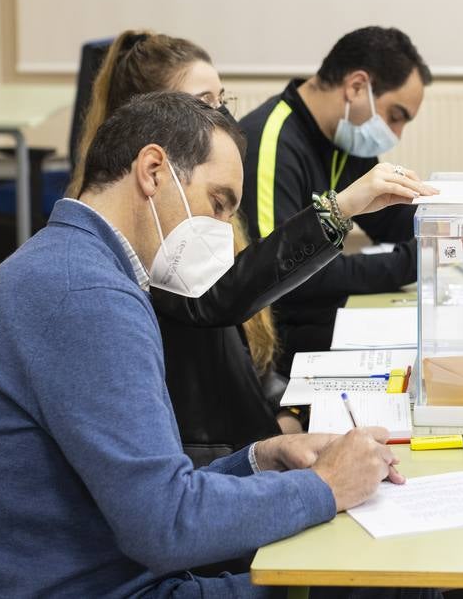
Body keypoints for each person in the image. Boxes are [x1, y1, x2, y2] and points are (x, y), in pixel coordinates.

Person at [0, 91, 439, 598]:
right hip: (89, 582)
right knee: (396, 579)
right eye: (217, 205)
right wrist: (326, 485)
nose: (222, 231)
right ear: (152, 171)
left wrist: (260, 459)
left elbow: (146, 487)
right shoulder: (89, 297)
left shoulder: (69, 265)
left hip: (77, 567)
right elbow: (165, 525)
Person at [69, 31, 433, 465]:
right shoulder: (131, 262)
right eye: (204, 103)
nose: (221, 116)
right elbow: (223, 298)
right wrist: (340, 212)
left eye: (223, 101)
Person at [238, 27, 432, 369]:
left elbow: (390, 221)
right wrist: (413, 261)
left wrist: (445, 226)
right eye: (395, 116)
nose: (396, 134)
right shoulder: (271, 142)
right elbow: (281, 276)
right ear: (356, 87)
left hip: (315, 315)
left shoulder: (343, 139)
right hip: (278, 339)